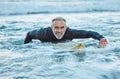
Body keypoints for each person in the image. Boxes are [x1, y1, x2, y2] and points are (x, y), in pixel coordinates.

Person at [24, 17, 108, 48]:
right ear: (51, 27)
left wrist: (101, 37)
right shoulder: (42, 33)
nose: (59, 31)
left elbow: (88, 33)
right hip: (47, 47)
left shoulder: (70, 32)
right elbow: (29, 34)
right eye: (56, 28)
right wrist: (27, 48)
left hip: (64, 46)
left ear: (66, 27)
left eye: (62, 28)